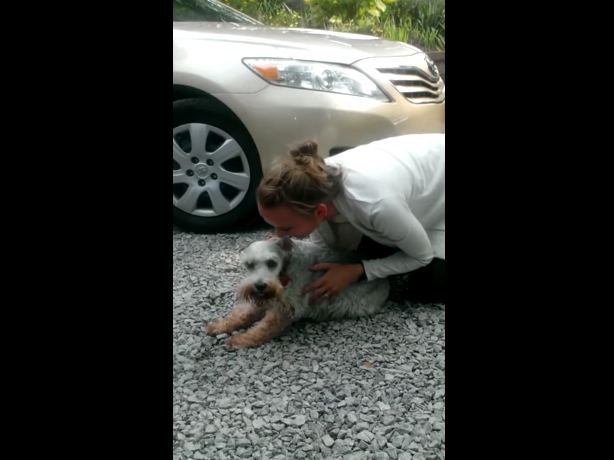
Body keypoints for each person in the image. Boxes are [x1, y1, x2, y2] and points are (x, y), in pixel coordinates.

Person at [256, 133, 445, 304]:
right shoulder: (313, 182)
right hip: (411, 173)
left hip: (438, 172)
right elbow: (322, 245)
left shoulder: (375, 204)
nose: (279, 235)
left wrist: (357, 271)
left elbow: (422, 256)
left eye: (286, 228)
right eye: (273, 226)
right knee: (369, 253)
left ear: (320, 212)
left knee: (425, 291)